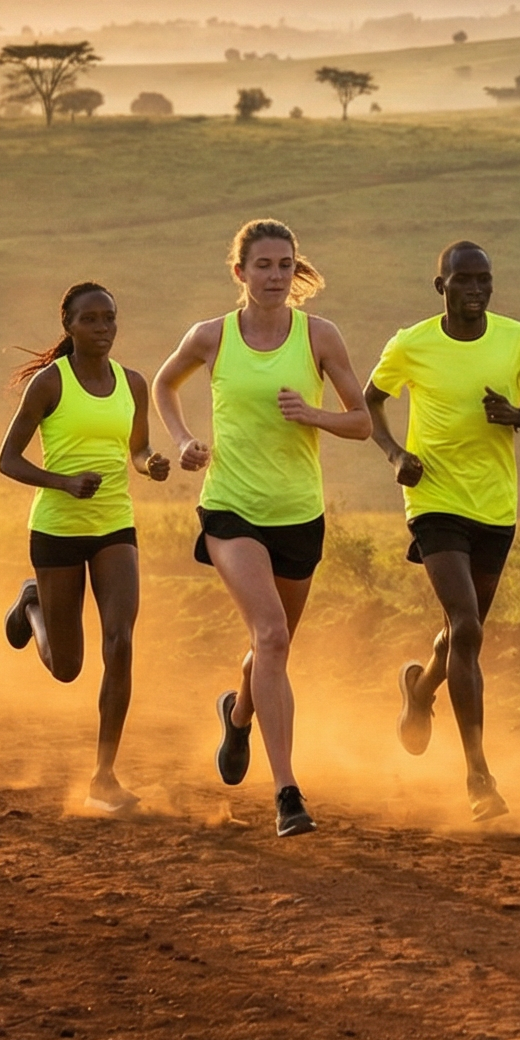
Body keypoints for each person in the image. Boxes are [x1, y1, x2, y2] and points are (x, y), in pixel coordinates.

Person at [155, 220, 372, 837]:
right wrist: (185, 439)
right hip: (230, 507)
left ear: (294, 271)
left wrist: (315, 415)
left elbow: (361, 422)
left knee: (270, 646)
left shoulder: (320, 337)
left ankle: (239, 711)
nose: (275, 276)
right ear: (240, 272)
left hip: (299, 513)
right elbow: (165, 386)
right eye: (263, 266)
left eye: (284, 265)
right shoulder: (211, 337)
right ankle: (287, 794)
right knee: (271, 634)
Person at [364, 241, 520, 821]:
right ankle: (479, 776)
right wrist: (393, 453)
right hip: (432, 497)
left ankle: (420, 689)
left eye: (485, 280)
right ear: (441, 288)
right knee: (466, 625)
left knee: (463, 633)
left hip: (495, 505)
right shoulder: (411, 343)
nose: (476, 291)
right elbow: (370, 401)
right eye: (464, 281)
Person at [0, 282, 167, 815]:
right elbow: (8, 460)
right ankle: (32, 604)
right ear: (68, 325)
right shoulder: (50, 384)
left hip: (115, 525)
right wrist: (63, 482)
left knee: (120, 642)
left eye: (109, 319)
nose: (103, 329)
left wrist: (150, 465)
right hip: (57, 528)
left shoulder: (132, 384)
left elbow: (136, 450)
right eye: (90, 320)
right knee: (67, 666)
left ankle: (104, 774)